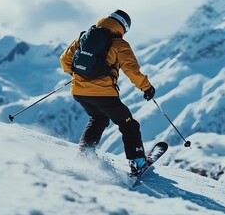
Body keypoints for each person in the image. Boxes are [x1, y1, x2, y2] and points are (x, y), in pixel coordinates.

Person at [59, 9, 155, 174]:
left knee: (98, 118)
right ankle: (138, 162)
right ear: (123, 27)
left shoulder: (84, 37)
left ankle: (85, 153)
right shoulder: (119, 44)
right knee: (128, 124)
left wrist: (78, 75)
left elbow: (64, 60)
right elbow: (132, 70)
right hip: (104, 94)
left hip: (79, 91)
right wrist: (146, 87)